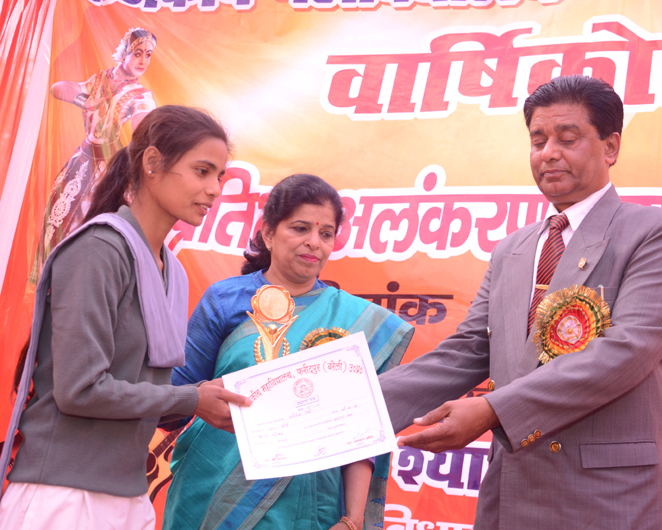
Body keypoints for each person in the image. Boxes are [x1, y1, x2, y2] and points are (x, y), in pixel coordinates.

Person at [379, 75, 662, 529]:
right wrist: (356, 405)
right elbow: (468, 350)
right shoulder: (512, 248)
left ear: (610, 147)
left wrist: (493, 410)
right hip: (514, 491)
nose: (548, 153)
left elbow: (629, 350)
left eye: (567, 138)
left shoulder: (656, 233)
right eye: (538, 140)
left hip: (608, 500)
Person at [0, 105, 250, 530]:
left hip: (130, 496)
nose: (214, 190)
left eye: (220, 177)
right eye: (202, 171)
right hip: (63, 495)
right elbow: (80, 390)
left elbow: (148, 395)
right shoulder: (98, 250)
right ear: (152, 163)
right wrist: (192, 398)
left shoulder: (172, 271)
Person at [163, 174, 415, 530]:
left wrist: (353, 520)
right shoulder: (225, 300)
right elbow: (175, 402)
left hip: (312, 510)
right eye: (300, 228)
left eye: (326, 233)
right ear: (268, 232)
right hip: (216, 496)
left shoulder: (354, 320)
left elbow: (361, 433)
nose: (314, 242)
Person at [32, 27, 158, 279]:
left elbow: (143, 124)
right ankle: (47, 284)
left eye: (148, 55)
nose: (143, 61)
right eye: (137, 53)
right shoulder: (100, 80)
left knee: (89, 228)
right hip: (80, 161)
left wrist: (144, 133)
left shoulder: (140, 95)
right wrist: (84, 100)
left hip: (108, 167)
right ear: (124, 53)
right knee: (56, 220)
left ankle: (76, 286)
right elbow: (58, 87)